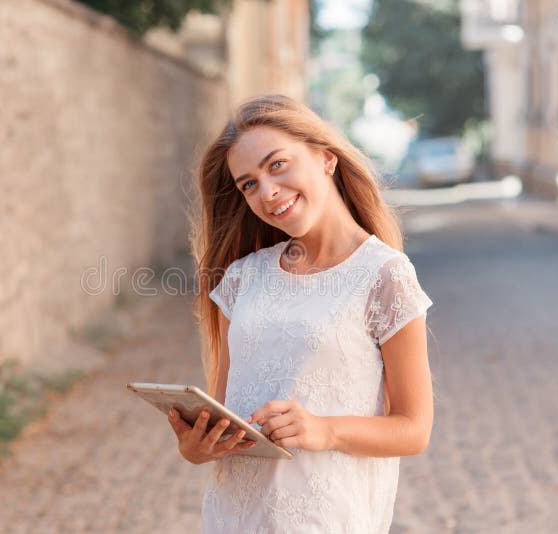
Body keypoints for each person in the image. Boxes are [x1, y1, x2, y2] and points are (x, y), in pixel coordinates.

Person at [166, 94, 435, 533]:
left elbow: (414, 429)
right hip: (235, 519)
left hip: (326, 519)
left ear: (326, 158)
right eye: (248, 184)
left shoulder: (384, 275)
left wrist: (323, 430)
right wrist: (197, 446)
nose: (267, 193)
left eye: (277, 165)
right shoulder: (240, 279)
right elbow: (226, 411)